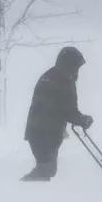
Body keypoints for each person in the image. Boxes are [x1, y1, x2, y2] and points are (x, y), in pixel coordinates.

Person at [21, 46, 93, 181]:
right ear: (69, 64)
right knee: (45, 170)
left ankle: (30, 192)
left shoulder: (61, 79)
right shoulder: (56, 80)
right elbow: (65, 109)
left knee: (47, 170)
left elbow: (67, 109)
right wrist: (81, 119)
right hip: (42, 132)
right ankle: (24, 191)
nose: (77, 70)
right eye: (76, 65)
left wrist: (80, 119)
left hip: (48, 132)